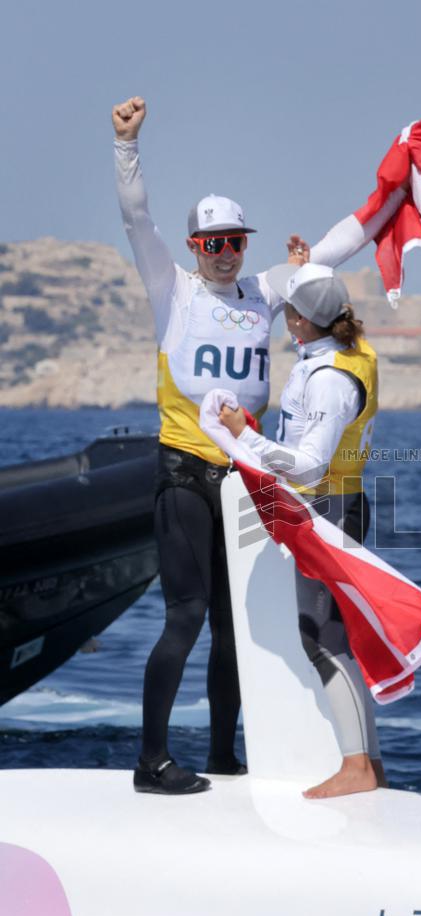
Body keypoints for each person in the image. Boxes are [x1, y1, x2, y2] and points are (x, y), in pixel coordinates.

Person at [112, 96, 405, 795]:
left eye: (235, 240)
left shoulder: (262, 292)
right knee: (185, 614)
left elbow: (335, 250)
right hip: (185, 472)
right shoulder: (172, 289)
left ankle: (221, 755)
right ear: (194, 249)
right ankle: (152, 759)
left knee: (230, 626)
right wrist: (126, 145)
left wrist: (390, 195)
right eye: (212, 243)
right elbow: (136, 218)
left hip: (243, 477)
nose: (224, 253)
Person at [217, 259, 385, 798]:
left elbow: (311, 464)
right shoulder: (338, 354)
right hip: (336, 505)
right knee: (333, 638)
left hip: (328, 508)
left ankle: (358, 766)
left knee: (324, 641)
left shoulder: (330, 378)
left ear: (296, 321)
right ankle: (370, 766)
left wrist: (248, 438)